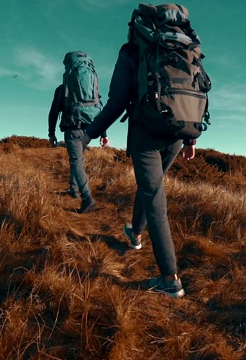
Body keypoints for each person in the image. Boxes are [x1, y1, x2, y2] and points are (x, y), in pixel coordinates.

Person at [82, 7, 197, 298]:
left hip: (146, 133)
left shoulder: (132, 52)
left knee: (155, 197)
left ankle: (170, 279)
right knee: (150, 188)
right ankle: (135, 234)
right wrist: (190, 140)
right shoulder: (186, 49)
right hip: (176, 131)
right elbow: (191, 93)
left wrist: (90, 133)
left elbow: (117, 102)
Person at [48, 83, 109, 213]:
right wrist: (103, 134)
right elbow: (101, 110)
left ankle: (87, 198)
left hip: (73, 129)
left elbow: (53, 112)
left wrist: (51, 134)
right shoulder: (91, 88)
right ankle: (74, 189)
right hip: (89, 129)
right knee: (76, 159)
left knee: (76, 161)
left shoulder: (62, 88)